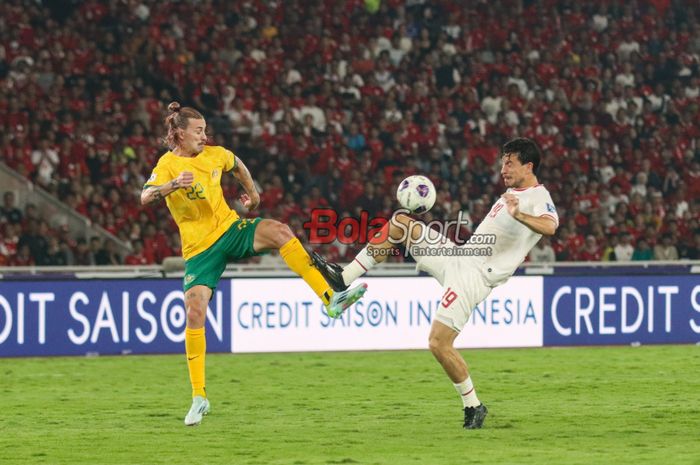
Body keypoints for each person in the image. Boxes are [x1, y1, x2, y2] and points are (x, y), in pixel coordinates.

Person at [141, 102, 367, 426]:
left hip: (230, 230)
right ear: (179, 133)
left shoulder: (216, 154)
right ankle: (199, 397)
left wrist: (253, 194)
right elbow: (144, 197)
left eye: (205, 130)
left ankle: (331, 299)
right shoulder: (167, 165)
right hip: (199, 251)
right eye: (198, 131)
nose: (205, 136)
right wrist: (170, 186)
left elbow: (238, 165)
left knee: (280, 231)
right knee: (194, 311)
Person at [312, 137, 559, 430]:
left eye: (510, 162)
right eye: (503, 161)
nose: (503, 167)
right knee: (400, 223)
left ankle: (474, 406)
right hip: (460, 257)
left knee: (438, 343)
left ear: (528, 165)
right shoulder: (511, 192)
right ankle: (343, 279)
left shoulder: (537, 196)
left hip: (474, 277)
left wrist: (520, 214)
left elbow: (551, 226)